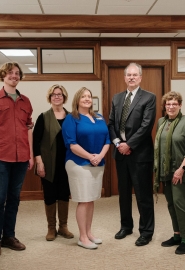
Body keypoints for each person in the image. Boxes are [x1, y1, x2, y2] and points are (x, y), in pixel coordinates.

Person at [0, 62, 34, 258]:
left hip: (21, 157)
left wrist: (30, 155)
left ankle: (9, 236)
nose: (14, 76)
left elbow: (29, 129)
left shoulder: (26, 101)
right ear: (2, 76)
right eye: (10, 73)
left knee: (14, 199)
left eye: (17, 73)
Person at [108, 63, 156, 246]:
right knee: (124, 194)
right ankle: (126, 226)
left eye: (135, 75)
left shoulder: (149, 98)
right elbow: (111, 123)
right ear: (125, 77)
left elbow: (146, 126)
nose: (132, 77)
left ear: (140, 77)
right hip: (120, 153)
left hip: (140, 154)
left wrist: (129, 145)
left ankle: (146, 231)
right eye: (129, 75)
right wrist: (118, 143)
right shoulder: (117, 98)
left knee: (143, 195)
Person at [62, 87, 110, 250]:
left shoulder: (99, 117)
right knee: (83, 200)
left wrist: (100, 156)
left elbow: (108, 140)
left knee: (90, 199)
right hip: (78, 163)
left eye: (89, 96)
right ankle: (82, 237)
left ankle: (89, 233)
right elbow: (71, 144)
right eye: (83, 96)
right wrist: (90, 156)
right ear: (77, 99)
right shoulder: (71, 118)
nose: (87, 99)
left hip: (98, 163)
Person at [153, 91, 185, 255]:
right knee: (170, 204)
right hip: (165, 171)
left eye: (174, 104)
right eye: (168, 104)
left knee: (179, 204)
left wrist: (181, 169)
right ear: (164, 106)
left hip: (180, 170)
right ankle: (177, 235)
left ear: (180, 105)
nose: (171, 106)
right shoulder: (161, 122)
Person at [33, 84, 74, 241]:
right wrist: (39, 162)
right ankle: (51, 228)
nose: (57, 97)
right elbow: (36, 142)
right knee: (50, 195)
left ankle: (63, 227)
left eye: (60, 94)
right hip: (48, 163)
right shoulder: (43, 117)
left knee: (64, 194)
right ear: (49, 97)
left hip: (67, 163)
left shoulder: (71, 117)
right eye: (54, 94)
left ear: (64, 97)